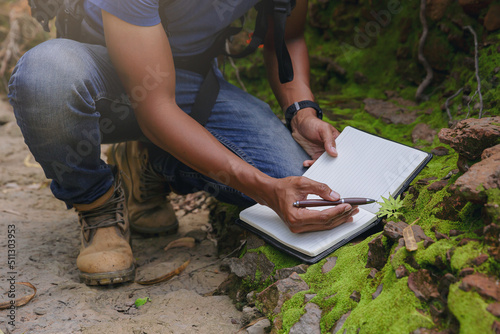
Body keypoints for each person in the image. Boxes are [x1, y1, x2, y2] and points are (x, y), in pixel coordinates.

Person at [8, 0, 359, 286]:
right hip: (99, 73)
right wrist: (265, 189)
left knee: (294, 184)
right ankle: (97, 205)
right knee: (45, 76)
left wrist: (302, 113)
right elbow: (155, 106)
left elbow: (289, 36)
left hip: (192, 81)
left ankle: (148, 163)